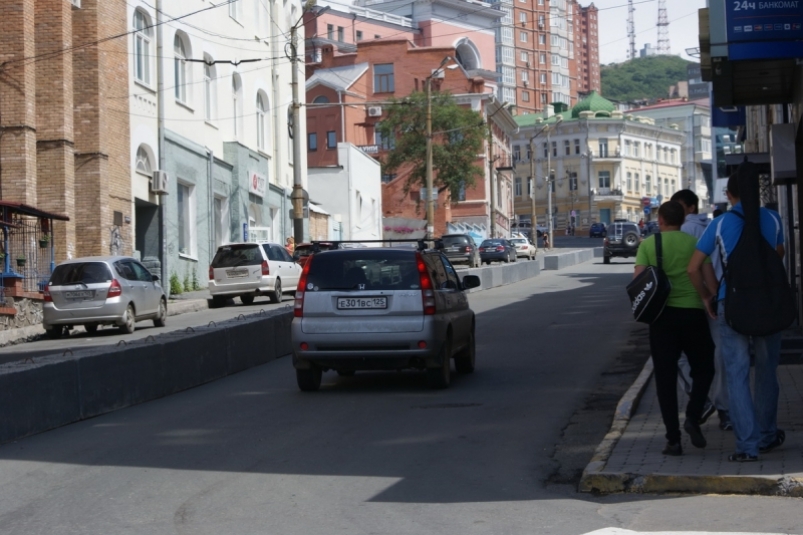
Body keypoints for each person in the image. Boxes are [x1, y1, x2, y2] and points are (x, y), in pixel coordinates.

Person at [688, 174, 786, 462]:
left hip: (732, 304)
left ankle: (747, 446)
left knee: (737, 374)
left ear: (730, 195)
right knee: (768, 372)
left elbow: (694, 268)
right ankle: (768, 435)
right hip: (769, 303)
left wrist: (708, 296)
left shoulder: (720, 223)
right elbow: (778, 254)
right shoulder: (774, 219)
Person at [634, 201, 715, 456]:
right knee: (705, 368)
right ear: (683, 219)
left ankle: (673, 440)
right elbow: (710, 282)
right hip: (693, 315)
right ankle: (693, 415)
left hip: (661, 319)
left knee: (665, 379)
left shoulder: (648, 245)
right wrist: (711, 301)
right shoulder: (696, 244)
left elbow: (638, 282)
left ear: (660, 220)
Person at [670, 189, 731, 431]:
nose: (675, 213)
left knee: (679, 355)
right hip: (719, 297)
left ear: (691, 208)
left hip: (694, 300)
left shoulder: (685, 230)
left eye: (679, 207)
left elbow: (691, 268)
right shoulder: (715, 226)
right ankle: (725, 410)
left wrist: (703, 295)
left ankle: (701, 399)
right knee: (721, 355)